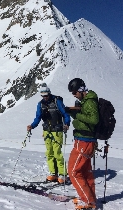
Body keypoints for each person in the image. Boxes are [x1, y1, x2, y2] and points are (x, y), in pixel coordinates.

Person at [66, 78, 99, 210]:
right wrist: (73, 113)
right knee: (85, 172)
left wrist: (77, 115)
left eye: (74, 92)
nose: (74, 95)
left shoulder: (89, 102)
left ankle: (88, 202)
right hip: (85, 141)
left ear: (80, 90)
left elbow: (94, 119)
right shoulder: (86, 101)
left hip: (84, 141)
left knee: (73, 171)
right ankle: (91, 199)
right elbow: (87, 119)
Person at [27, 84, 70, 184]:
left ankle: (63, 174)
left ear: (49, 93)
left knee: (57, 153)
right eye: (43, 95)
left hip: (57, 130)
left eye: (46, 95)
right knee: (49, 153)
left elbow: (65, 114)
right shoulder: (40, 104)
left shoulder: (57, 101)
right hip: (46, 131)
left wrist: (67, 124)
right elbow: (38, 117)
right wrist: (32, 126)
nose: (45, 97)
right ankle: (53, 173)